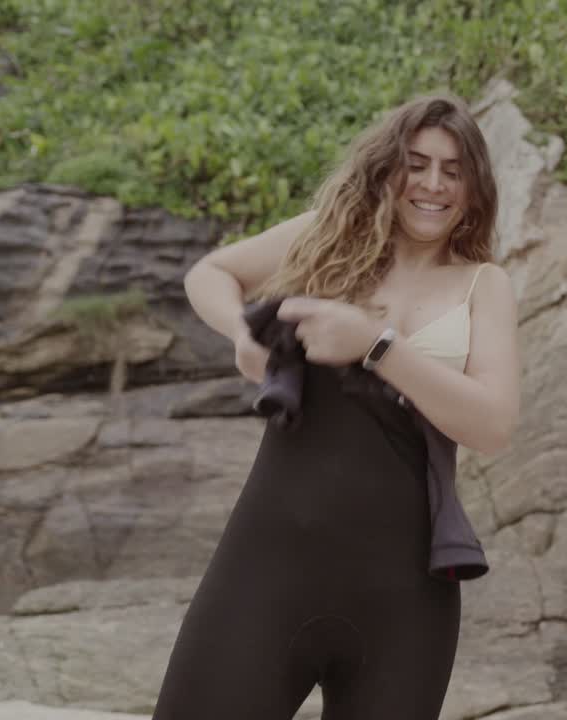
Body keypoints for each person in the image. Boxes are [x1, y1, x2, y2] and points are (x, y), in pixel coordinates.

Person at [154, 95, 520, 720]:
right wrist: (243, 336)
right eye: (417, 164)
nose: (433, 184)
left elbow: (493, 425)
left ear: (474, 186)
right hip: (266, 570)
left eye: (453, 170)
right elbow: (210, 273)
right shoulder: (325, 238)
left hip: (405, 597)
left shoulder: (484, 284)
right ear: (387, 169)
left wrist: (377, 345)